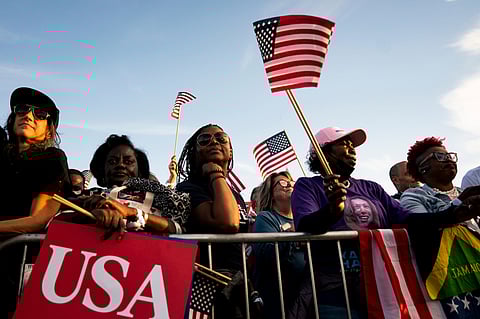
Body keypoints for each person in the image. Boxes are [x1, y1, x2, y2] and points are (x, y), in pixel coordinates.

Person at [290, 127, 480, 319]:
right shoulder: (307, 186)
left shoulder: (371, 187)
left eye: (353, 145)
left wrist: (452, 214)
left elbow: (407, 219)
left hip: (382, 284)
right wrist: (332, 210)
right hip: (337, 291)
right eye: (343, 144)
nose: (352, 149)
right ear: (323, 153)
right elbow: (306, 227)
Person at [0, 87, 70, 317]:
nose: (28, 116)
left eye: (40, 114)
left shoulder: (52, 159)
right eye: (22, 109)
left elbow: (36, 221)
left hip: (14, 264)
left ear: (50, 130)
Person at [176, 124, 253, 318]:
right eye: (204, 140)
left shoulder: (234, 194)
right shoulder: (188, 187)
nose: (214, 142)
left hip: (238, 281)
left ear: (231, 150)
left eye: (221, 138)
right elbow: (227, 223)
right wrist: (215, 173)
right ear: (195, 153)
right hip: (207, 280)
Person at [400, 137, 480, 317]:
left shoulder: (467, 192)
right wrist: (459, 206)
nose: (449, 160)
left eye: (450, 156)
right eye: (440, 157)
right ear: (423, 168)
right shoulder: (413, 196)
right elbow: (420, 224)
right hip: (452, 280)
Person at [81, 134, 190, 235]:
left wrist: (134, 213)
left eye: (128, 162)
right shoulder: (92, 196)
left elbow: (177, 229)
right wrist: (89, 214)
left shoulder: (157, 196)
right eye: (113, 162)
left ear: (140, 169)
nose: (120, 165)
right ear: (102, 169)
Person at [252, 171, 305, 319]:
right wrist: (291, 236)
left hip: (305, 291)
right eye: (282, 182)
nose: (288, 184)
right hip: (278, 295)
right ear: (271, 193)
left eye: (291, 182)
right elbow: (265, 253)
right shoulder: (266, 217)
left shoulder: (303, 218)